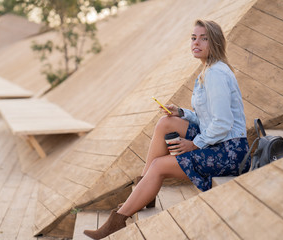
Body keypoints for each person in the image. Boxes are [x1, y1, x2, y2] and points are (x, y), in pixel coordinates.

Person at [84, 19, 250, 239]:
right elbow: (206, 118)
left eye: (203, 38)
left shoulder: (215, 75)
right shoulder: (208, 70)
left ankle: (117, 221)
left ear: (215, 42)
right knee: (166, 122)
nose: (196, 43)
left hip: (230, 151)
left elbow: (222, 123)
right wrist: (181, 113)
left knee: (159, 165)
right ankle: (145, 192)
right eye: (193, 38)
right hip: (220, 141)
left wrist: (194, 144)